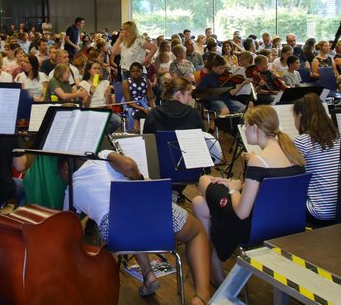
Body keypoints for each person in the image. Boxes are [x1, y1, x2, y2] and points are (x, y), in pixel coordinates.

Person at [62, 150, 211, 304]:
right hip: (149, 211)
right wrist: (139, 178)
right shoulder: (102, 158)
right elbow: (128, 165)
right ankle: (201, 296)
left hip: (116, 231)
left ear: (66, 167)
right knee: (196, 233)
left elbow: (67, 226)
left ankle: (148, 274)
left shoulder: (70, 192)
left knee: (131, 227)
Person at [192, 105, 305, 285]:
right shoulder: (294, 155)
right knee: (200, 204)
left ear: (255, 128)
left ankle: (212, 262)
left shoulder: (258, 160)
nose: (244, 129)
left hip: (253, 227)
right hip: (283, 223)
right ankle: (213, 263)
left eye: (245, 125)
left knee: (204, 180)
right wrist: (240, 185)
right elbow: (271, 190)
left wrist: (234, 188)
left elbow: (242, 213)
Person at [292, 94, 341, 223]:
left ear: (300, 116)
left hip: (321, 211)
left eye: (294, 117)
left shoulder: (302, 141)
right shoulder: (338, 137)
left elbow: (287, 173)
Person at [78, 61, 121, 133]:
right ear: (89, 70)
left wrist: (108, 95)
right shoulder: (84, 84)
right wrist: (90, 94)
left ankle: (102, 134)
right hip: (91, 111)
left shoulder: (105, 82)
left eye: (98, 68)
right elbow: (86, 106)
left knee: (117, 120)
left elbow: (108, 104)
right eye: (95, 68)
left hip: (104, 110)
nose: (97, 71)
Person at [122, 62, 155, 133]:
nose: (135, 73)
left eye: (138, 71)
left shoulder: (146, 81)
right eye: (133, 71)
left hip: (143, 102)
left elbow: (150, 98)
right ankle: (133, 130)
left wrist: (153, 108)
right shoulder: (126, 83)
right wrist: (142, 109)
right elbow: (128, 102)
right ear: (130, 73)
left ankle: (147, 131)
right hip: (130, 104)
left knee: (152, 113)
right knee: (134, 112)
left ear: (142, 71)